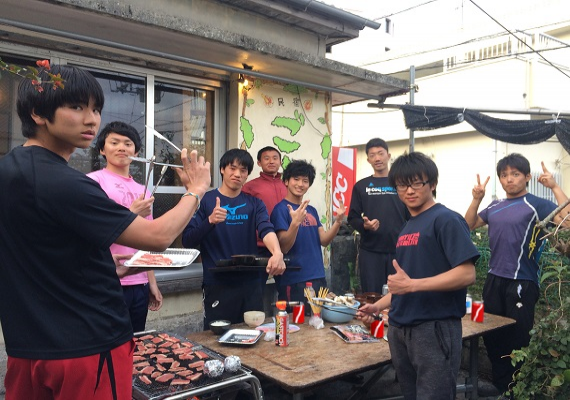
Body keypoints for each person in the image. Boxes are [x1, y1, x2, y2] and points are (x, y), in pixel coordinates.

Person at [0, 64, 210, 400]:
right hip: (87, 346)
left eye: (95, 108)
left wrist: (116, 267)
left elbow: (45, 251)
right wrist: (196, 190)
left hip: (27, 346)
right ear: (38, 112)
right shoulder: (68, 182)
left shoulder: (10, 169)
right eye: (77, 107)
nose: (91, 120)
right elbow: (158, 236)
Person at [357, 152, 479, 400]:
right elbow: (403, 284)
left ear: (432, 184)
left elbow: (467, 273)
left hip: (434, 329)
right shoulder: (407, 227)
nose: (408, 191)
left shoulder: (446, 219)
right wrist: (376, 307)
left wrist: (412, 285)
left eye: (416, 183)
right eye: (402, 185)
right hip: (401, 329)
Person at [464, 153, 570, 395]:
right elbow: (467, 225)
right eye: (504, 175)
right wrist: (476, 199)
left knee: (518, 338)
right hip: (493, 281)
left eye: (515, 174)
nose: (509, 179)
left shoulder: (537, 204)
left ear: (527, 177)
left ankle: (516, 389)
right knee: (490, 333)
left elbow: (567, 222)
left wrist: (554, 186)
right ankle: (502, 385)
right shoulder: (494, 206)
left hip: (523, 281)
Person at [182, 148, 286, 326]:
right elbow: (188, 240)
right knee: (216, 339)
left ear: (247, 175)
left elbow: (266, 229)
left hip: (250, 283)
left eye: (243, 170)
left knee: (252, 333)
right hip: (217, 284)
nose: (237, 174)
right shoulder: (205, 200)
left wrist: (277, 252)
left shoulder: (254, 203)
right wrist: (210, 221)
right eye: (233, 168)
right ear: (222, 169)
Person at [88, 121, 163, 332]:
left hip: (139, 281)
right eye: (114, 142)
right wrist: (131, 215)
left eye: (128, 143)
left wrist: (152, 284)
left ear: (136, 151)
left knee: (137, 343)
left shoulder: (144, 191)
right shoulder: (93, 182)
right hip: (107, 280)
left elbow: (148, 240)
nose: (122, 147)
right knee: (109, 344)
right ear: (102, 149)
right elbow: (90, 232)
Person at [270, 159, 346, 304]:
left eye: (305, 181)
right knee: (296, 323)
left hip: (318, 276)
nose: (300, 184)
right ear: (286, 181)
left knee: (316, 322)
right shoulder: (280, 209)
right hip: (294, 280)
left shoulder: (311, 210)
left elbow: (324, 240)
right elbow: (284, 246)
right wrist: (295, 223)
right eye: (296, 179)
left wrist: (338, 221)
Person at [347, 138, 409, 293]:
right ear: (368, 159)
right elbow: (352, 218)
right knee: (372, 296)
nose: (377, 158)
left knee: (399, 296)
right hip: (370, 252)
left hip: (400, 250)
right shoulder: (361, 186)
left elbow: (414, 215)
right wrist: (364, 225)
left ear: (388, 156)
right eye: (373, 155)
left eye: (380, 153)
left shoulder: (402, 184)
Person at [242, 145, 287, 256]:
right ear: (259, 163)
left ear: (280, 162)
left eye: (275, 158)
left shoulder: (288, 185)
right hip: (260, 244)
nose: (271, 161)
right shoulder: (249, 187)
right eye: (266, 158)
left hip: (286, 242)